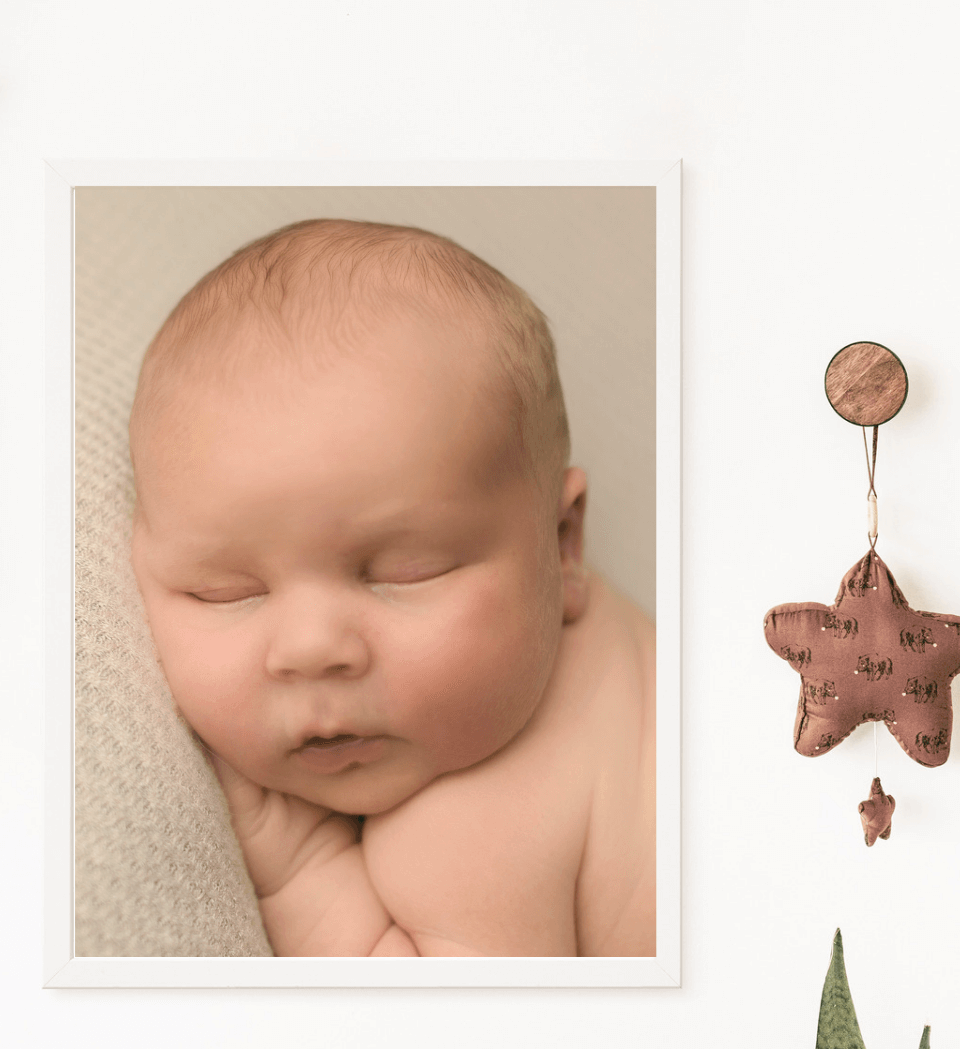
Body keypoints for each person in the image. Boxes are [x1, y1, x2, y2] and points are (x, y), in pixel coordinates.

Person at [129, 219, 654, 957]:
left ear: (561, 545)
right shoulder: (629, 655)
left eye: (408, 571)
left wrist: (300, 873)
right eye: (227, 591)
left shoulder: (462, 835)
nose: (313, 649)